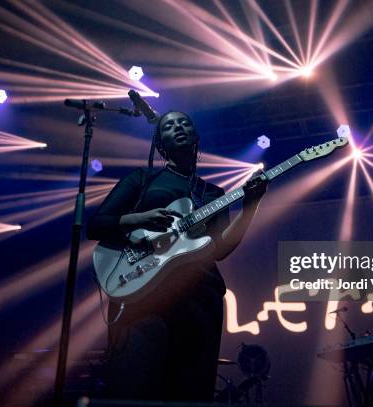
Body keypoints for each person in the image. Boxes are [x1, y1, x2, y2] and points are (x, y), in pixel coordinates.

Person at [86, 111, 268, 401]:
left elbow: (220, 249)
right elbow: (96, 225)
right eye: (169, 125)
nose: (178, 127)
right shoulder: (142, 180)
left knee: (192, 393)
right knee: (136, 387)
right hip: (143, 297)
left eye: (184, 123)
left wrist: (250, 207)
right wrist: (139, 219)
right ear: (160, 144)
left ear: (195, 136)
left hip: (200, 302)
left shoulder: (213, 193)